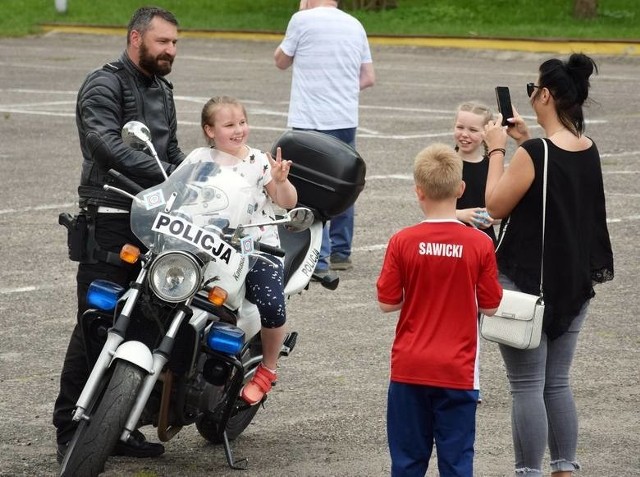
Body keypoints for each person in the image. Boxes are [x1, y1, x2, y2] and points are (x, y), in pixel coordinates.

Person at [53, 6, 185, 463]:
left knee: (148, 320)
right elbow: (102, 142)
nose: (171, 50)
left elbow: (171, 151)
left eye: (174, 43)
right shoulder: (105, 82)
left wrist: (198, 182)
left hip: (155, 218)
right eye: (162, 42)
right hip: (109, 215)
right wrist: (167, 175)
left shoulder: (162, 89)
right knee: (96, 323)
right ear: (136, 39)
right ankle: (71, 428)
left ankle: (116, 427)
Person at [483, 53, 614, 476]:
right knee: (556, 383)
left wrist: (499, 151)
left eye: (532, 89)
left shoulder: (534, 152)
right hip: (571, 282)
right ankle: (564, 468)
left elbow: (495, 208)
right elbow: (552, 181)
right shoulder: (586, 147)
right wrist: (524, 143)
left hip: (526, 282)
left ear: (545, 95)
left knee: (525, 386)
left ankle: (528, 472)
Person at [376, 143, 502, 476]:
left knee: (407, 462)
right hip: (458, 369)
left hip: (410, 365)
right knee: (457, 461)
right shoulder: (480, 243)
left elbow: (388, 302)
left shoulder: (402, 240)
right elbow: (491, 306)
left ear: (419, 192)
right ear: (460, 189)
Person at [191, 96, 298, 405]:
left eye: (241, 122)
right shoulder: (199, 159)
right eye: (229, 125)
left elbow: (286, 201)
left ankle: (268, 368)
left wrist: (281, 180)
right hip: (208, 244)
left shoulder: (258, 161)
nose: (238, 130)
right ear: (209, 130)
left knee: (272, 303)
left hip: (253, 246)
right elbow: (180, 192)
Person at [274, 0, 375, 278]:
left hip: (309, 119)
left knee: (309, 188)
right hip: (344, 117)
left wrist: (302, 12)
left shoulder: (302, 20)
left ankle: (318, 257)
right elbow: (368, 77)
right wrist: (340, 89)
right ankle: (342, 252)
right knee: (344, 185)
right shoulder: (355, 25)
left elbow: (280, 60)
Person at [453, 101, 498, 244]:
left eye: (473, 130)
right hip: (452, 241)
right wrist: (461, 214)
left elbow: (503, 209)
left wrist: (491, 217)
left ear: (486, 133)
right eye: (460, 127)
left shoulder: (493, 166)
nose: (464, 134)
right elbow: (431, 206)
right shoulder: (445, 163)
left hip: (484, 242)